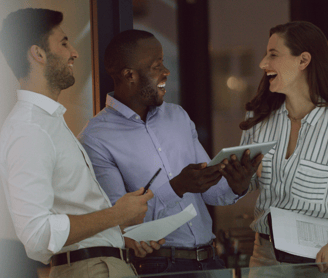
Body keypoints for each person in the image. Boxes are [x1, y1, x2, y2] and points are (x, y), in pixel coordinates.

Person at [78, 29, 262, 275]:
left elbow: (212, 193)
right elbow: (120, 222)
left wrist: (236, 186)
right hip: (159, 267)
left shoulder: (178, 116)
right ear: (129, 75)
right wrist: (176, 187)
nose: (166, 72)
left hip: (212, 261)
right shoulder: (96, 137)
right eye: (156, 66)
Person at [0, 8, 163, 278]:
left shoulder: (48, 122)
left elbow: (73, 213)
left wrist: (119, 234)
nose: (74, 52)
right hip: (91, 270)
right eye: (63, 43)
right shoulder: (30, 129)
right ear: (38, 54)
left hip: (100, 265)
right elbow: (37, 234)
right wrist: (117, 215)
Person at [237, 21, 328, 273]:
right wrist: (238, 182)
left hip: (320, 259)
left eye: (273, 55)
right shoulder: (258, 117)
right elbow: (247, 185)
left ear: (303, 60)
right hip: (266, 257)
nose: (263, 64)